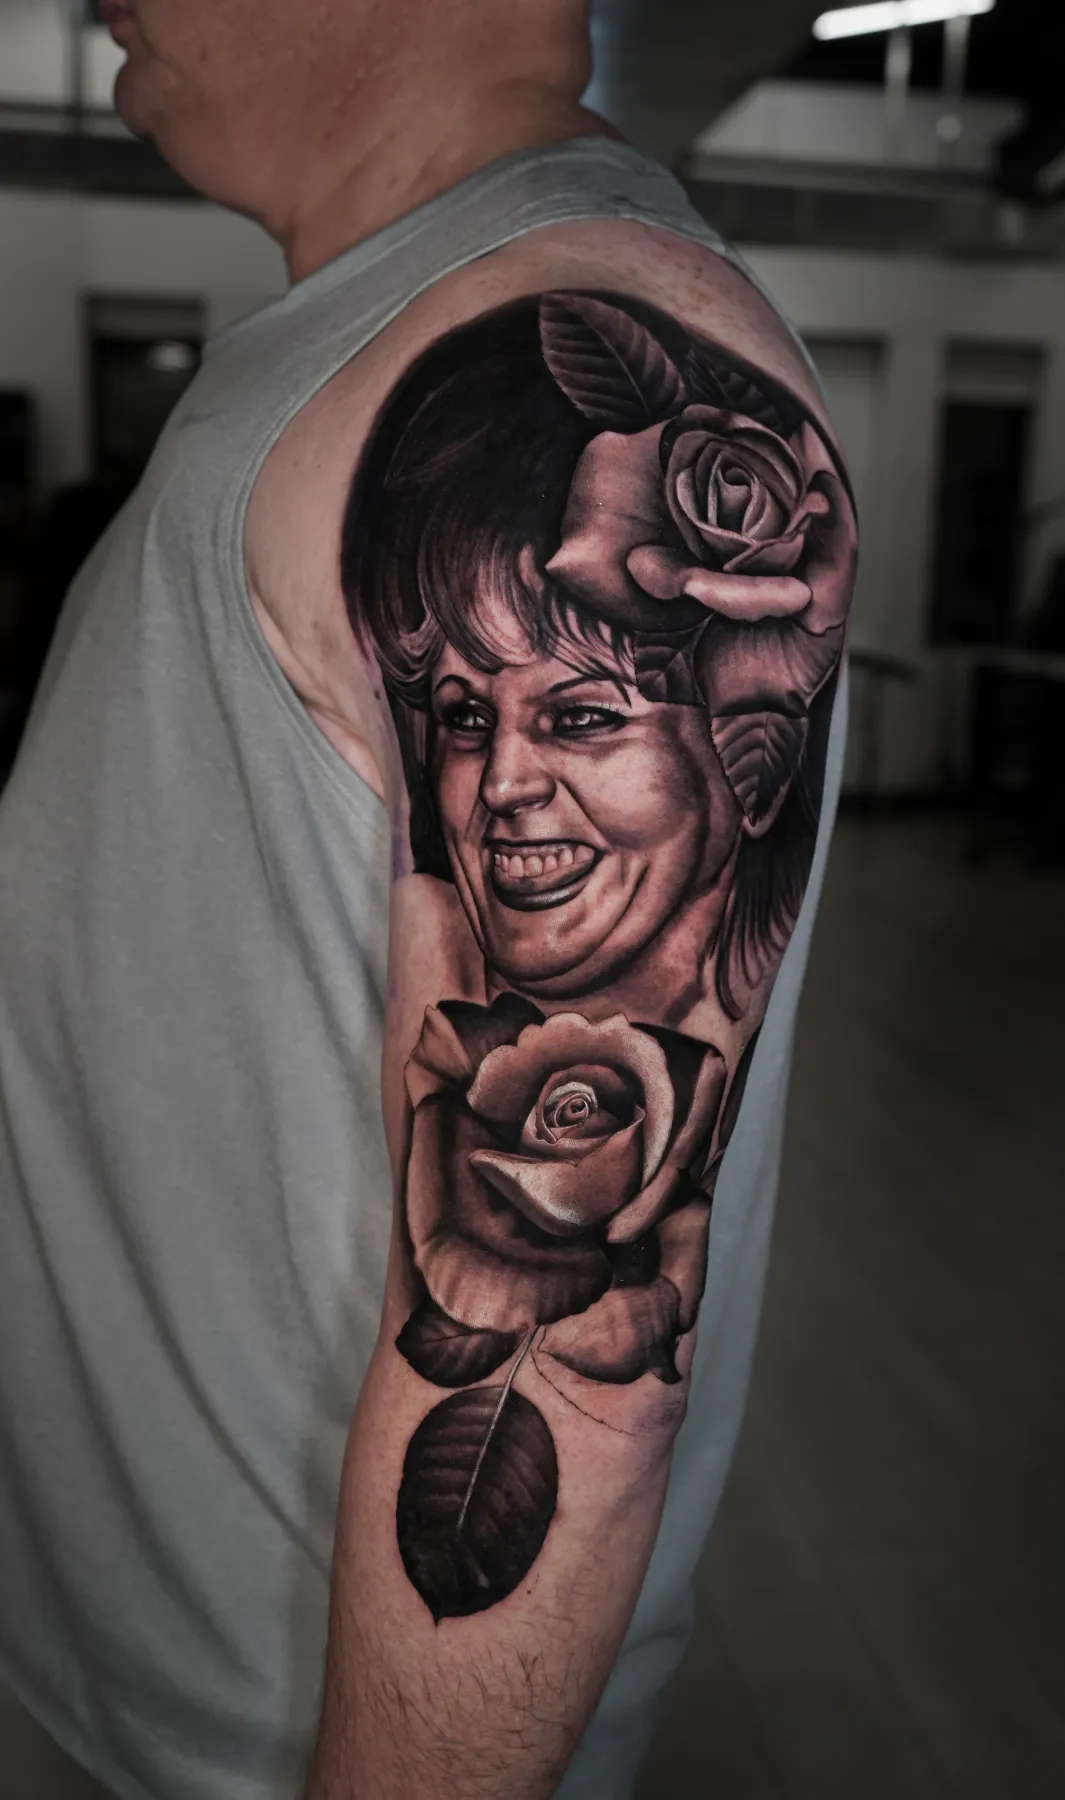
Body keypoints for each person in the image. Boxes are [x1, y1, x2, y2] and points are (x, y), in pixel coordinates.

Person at [0, 4, 856, 1798]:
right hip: (152, 1670)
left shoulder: (556, 333)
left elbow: (563, 1391)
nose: (511, 776)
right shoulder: (390, 335)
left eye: (584, 714)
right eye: (471, 714)